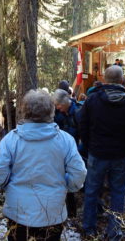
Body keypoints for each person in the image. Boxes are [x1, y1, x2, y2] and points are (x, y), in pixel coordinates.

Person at [0, 90, 86, 241]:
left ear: (25, 111)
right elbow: (78, 173)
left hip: (19, 211)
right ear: (51, 111)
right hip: (52, 212)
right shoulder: (65, 140)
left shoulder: (11, 140)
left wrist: (6, 185)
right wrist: (67, 186)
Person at [79, 66, 125, 240]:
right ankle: (114, 232)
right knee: (118, 193)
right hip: (120, 155)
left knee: (91, 191)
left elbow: (82, 125)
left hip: (98, 153)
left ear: (105, 80)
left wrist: (90, 145)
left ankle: (89, 228)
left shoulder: (92, 100)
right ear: (122, 80)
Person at [53, 88, 83, 218]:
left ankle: (76, 212)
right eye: (56, 106)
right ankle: (70, 213)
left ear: (66, 102)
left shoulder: (79, 112)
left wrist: (77, 151)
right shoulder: (58, 113)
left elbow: (85, 136)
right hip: (62, 152)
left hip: (77, 152)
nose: (58, 108)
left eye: (59, 105)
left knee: (80, 181)